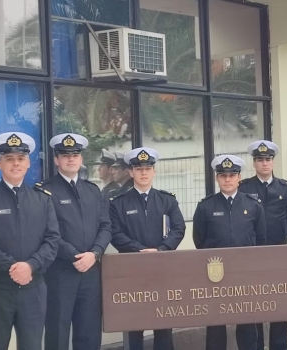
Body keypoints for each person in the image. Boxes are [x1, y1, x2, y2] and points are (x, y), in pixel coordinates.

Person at [0, 132, 60, 350]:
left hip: (33, 289)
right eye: (9, 159)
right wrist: (12, 267)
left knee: (32, 346)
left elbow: (52, 238)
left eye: (20, 159)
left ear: (28, 163)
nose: (15, 164)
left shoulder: (42, 199)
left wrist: (31, 266)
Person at [37, 133, 112, 350]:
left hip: (90, 272)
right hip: (60, 273)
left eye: (75, 154)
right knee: (57, 333)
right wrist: (75, 255)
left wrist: (95, 253)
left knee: (89, 333)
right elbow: (45, 232)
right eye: (65, 155)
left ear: (81, 159)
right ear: (56, 160)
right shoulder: (44, 191)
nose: (71, 159)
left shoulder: (92, 190)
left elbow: (105, 227)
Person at [109, 147, 186, 350]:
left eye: (148, 168)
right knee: (134, 323)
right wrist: (139, 251)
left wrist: (161, 250)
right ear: (131, 172)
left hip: (162, 269)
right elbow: (115, 233)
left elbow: (179, 228)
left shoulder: (167, 200)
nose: (144, 172)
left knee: (163, 322)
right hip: (132, 271)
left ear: (154, 171)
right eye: (139, 168)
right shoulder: (118, 203)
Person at [193, 154, 266, 350]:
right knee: (216, 323)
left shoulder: (253, 205)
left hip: (245, 274)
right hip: (215, 274)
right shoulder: (205, 206)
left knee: (247, 322)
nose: (227, 179)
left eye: (232, 175)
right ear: (217, 178)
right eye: (223, 175)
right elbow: (199, 241)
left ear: (239, 177)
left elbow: (261, 239)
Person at [238, 140, 287, 350]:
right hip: (252, 254)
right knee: (254, 303)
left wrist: (282, 237)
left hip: (278, 253)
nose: (264, 163)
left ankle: (279, 346)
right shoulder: (244, 188)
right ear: (254, 163)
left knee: (277, 303)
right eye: (260, 160)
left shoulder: (285, 188)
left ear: (273, 162)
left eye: (268, 159)